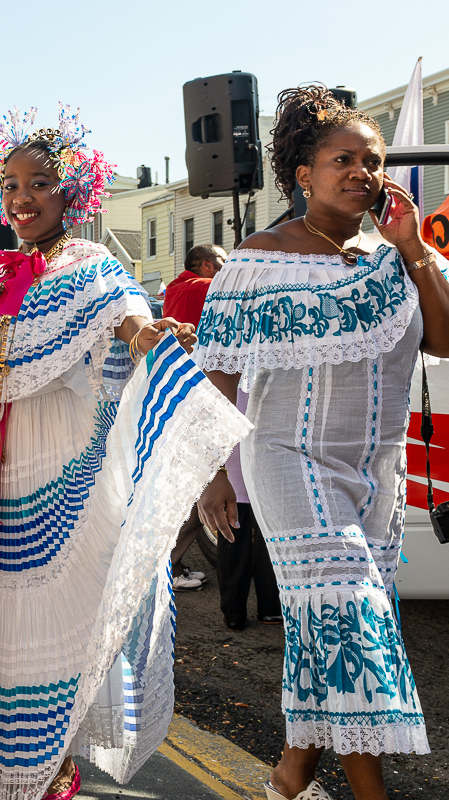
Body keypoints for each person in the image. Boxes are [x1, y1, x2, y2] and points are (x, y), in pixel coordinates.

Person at [0, 106, 249, 800]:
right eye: (10, 185)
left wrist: (141, 333)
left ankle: (52, 760)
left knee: (57, 609)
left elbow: (124, 312)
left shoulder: (90, 266)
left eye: (38, 183)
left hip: (57, 460)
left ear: (74, 192)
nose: (22, 197)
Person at [195, 85, 448, 800]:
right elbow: (215, 371)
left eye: (373, 159)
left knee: (325, 622)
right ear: (304, 174)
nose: (362, 171)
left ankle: (294, 769)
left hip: (377, 473)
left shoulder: (394, 256)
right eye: (343, 159)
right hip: (288, 461)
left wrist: (415, 251)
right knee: (354, 613)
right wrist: (218, 472)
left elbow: (446, 340)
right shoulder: (259, 259)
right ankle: (373, 792)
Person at [162, 244, 227, 589]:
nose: (228, 268)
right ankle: (164, 567)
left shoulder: (174, 288)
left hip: (182, 393)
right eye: (224, 263)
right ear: (206, 265)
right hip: (203, 395)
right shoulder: (204, 286)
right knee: (196, 489)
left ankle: (169, 565)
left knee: (189, 489)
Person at [219, 395, 283, 630]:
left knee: (233, 538)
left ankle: (234, 613)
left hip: (239, 440)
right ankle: (271, 608)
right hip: (265, 443)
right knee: (267, 538)